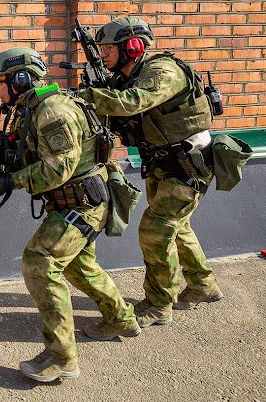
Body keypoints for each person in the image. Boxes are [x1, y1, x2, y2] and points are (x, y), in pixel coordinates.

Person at [0, 47, 139, 383]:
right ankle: (122, 320)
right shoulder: (33, 107)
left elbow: (58, 168)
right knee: (80, 267)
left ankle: (61, 358)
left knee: (40, 262)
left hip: (82, 203)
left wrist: (13, 181)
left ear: (20, 79)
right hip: (74, 200)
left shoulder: (52, 111)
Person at [78, 17, 223, 328]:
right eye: (100, 49)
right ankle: (203, 285)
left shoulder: (163, 71)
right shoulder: (125, 78)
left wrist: (89, 96)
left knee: (155, 231)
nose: (103, 55)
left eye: (108, 48)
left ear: (132, 47)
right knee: (176, 227)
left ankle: (159, 304)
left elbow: (133, 103)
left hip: (189, 166)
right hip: (162, 164)